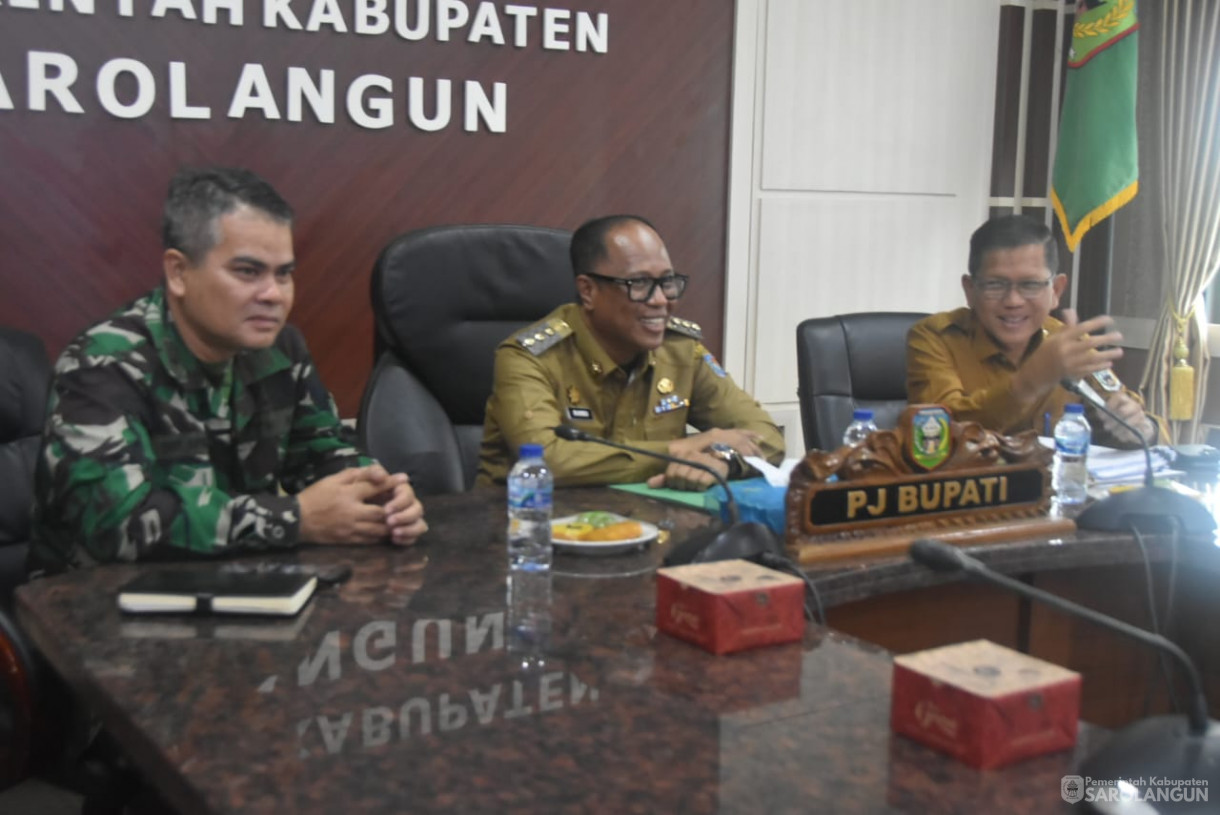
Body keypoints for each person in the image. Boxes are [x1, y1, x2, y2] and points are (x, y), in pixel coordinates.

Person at [28, 167, 427, 575]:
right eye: (248, 272)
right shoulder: (101, 363)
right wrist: (294, 518)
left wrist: (380, 497)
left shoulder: (282, 349)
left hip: (241, 590)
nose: (273, 295)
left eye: (284, 274)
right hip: (98, 610)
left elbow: (323, 453)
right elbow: (120, 524)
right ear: (179, 273)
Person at [477, 214, 785, 490]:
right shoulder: (529, 357)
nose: (661, 300)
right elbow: (547, 459)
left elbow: (766, 437)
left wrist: (724, 459)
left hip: (646, 528)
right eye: (639, 283)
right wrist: (680, 451)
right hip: (529, 530)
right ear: (588, 291)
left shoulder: (680, 351)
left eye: (667, 281)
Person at [906, 214, 1161, 447]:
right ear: (970, 290)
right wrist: (1031, 380)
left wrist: (1138, 428)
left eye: (1030, 285)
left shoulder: (1068, 343)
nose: (1013, 301)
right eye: (995, 285)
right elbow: (939, 434)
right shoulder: (935, 338)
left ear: (1056, 291)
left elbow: (1135, 419)